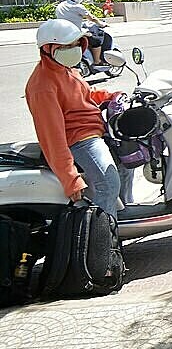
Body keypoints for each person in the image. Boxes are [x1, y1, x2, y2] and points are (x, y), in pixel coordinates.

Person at [25, 20, 134, 221]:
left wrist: (110, 96)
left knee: (128, 164)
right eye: (66, 46)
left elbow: (85, 94)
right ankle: (104, 242)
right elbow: (52, 137)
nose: (73, 49)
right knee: (108, 183)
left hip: (96, 131)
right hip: (81, 140)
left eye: (76, 44)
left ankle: (123, 218)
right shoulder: (43, 85)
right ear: (47, 49)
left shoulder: (67, 69)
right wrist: (70, 179)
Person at [56, 0, 108, 66]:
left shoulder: (60, 5)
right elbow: (92, 18)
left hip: (64, 32)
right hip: (76, 33)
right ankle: (97, 61)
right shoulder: (78, 6)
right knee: (96, 39)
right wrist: (101, 24)